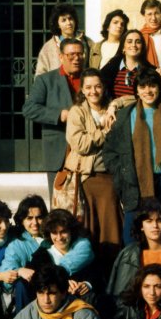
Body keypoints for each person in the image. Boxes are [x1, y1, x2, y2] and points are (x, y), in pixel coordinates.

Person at [102, 68, 161, 244]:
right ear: (136, 90)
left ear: (160, 88)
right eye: (143, 87)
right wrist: (121, 173)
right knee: (133, 233)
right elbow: (109, 151)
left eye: (152, 86)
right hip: (134, 183)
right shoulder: (125, 116)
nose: (148, 91)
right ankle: (135, 269)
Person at [65, 68, 122, 268]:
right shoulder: (77, 111)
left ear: (104, 87)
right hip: (89, 177)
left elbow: (132, 99)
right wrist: (104, 133)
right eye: (88, 87)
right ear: (82, 89)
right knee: (91, 228)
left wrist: (114, 105)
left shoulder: (110, 107)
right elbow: (79, 143)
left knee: (111, 226)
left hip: (111, 176)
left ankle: (110, 270)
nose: (93, 91)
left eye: (97, 86)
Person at [0, 196, 94, 313]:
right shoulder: (21, 247)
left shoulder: (79, 245)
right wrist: (19, 271)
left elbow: (93, 270)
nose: (35, 223)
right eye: (29, 218)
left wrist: (87, 284)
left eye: (39, 218)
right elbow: (9, 274)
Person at [23, 38, 85, 198]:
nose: (76, 58)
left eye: (80, 54)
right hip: (59, 149)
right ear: (61, 56)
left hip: (87, 150)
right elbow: (29, 109)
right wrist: (59, 115)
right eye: (71, 55)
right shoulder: (46, 80)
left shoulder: (91, 79)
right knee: (60, 203)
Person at [27, 209, 97, 304]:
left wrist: (87, 284)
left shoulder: (82, 251)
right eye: (54, 233)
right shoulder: (42, 256)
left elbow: (98, 275)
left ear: (71, 231)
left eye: (63, 232)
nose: (59, 238)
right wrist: (62, 283)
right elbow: (37, 282)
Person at [35, 3, 93, 76]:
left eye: (70, 19)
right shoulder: (48, 47)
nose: (68, 23)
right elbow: (40, 75)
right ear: (57, 24)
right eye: (64, 20)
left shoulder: (87, 42)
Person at [100, 29, 154, 100]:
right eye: (129, 42)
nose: (133, 45)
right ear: (123, 47)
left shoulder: (150, 71)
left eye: (138, 42)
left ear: (142, 47)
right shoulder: (109, 69)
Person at [139, 0, 161, 69]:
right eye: (149, 14)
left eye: (156, 13)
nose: (153, 18)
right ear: (143, 15)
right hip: (147, 78)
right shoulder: (139, 37)